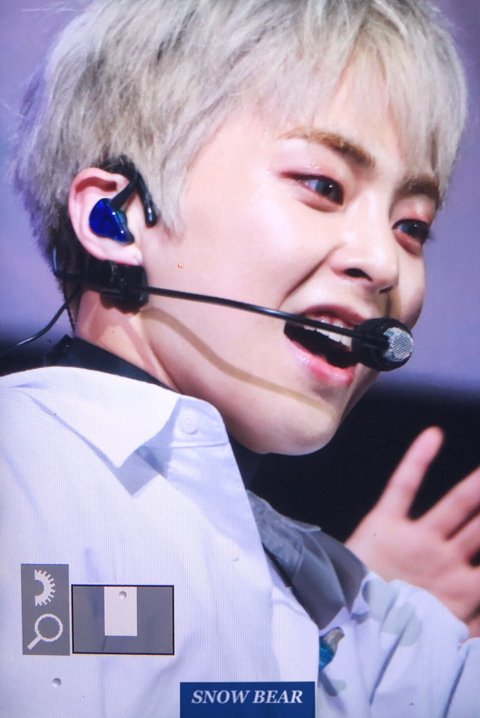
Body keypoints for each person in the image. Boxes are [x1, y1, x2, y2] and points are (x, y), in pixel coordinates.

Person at [1, 0, 479, 716]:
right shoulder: (19, 476)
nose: (385, 263)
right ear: (117, 219)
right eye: (323, 186)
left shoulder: (358, 617)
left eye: (412, 227)